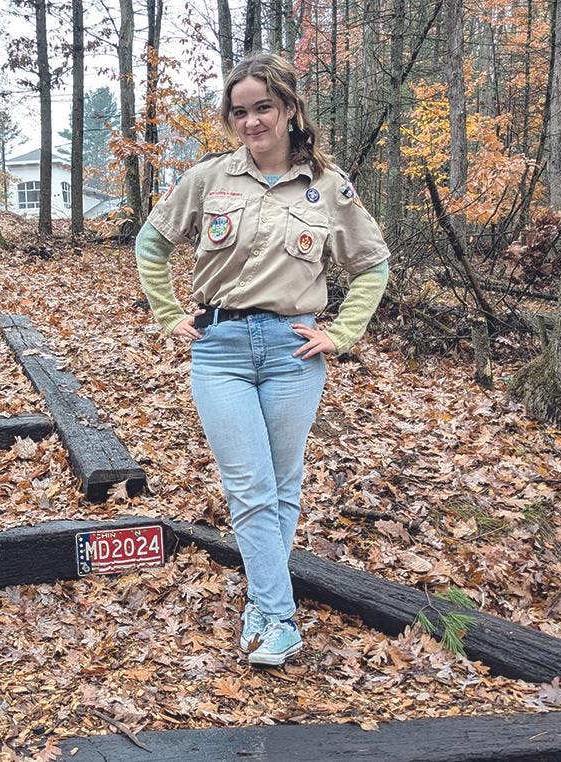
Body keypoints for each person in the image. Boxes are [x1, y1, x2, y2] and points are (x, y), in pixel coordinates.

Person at [135, 54, 389, 667]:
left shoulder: (329, 187)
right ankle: (277, 615)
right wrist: (170, 314)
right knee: (250, 484)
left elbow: (372, 263)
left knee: (282, 483)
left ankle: (262, 599)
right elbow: (152, 240)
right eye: (240, 111)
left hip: (292, 352)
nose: (252, 121)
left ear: (290, 110)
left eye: (263, 108)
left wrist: (344, 332)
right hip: (218, 350)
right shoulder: (209, 178)